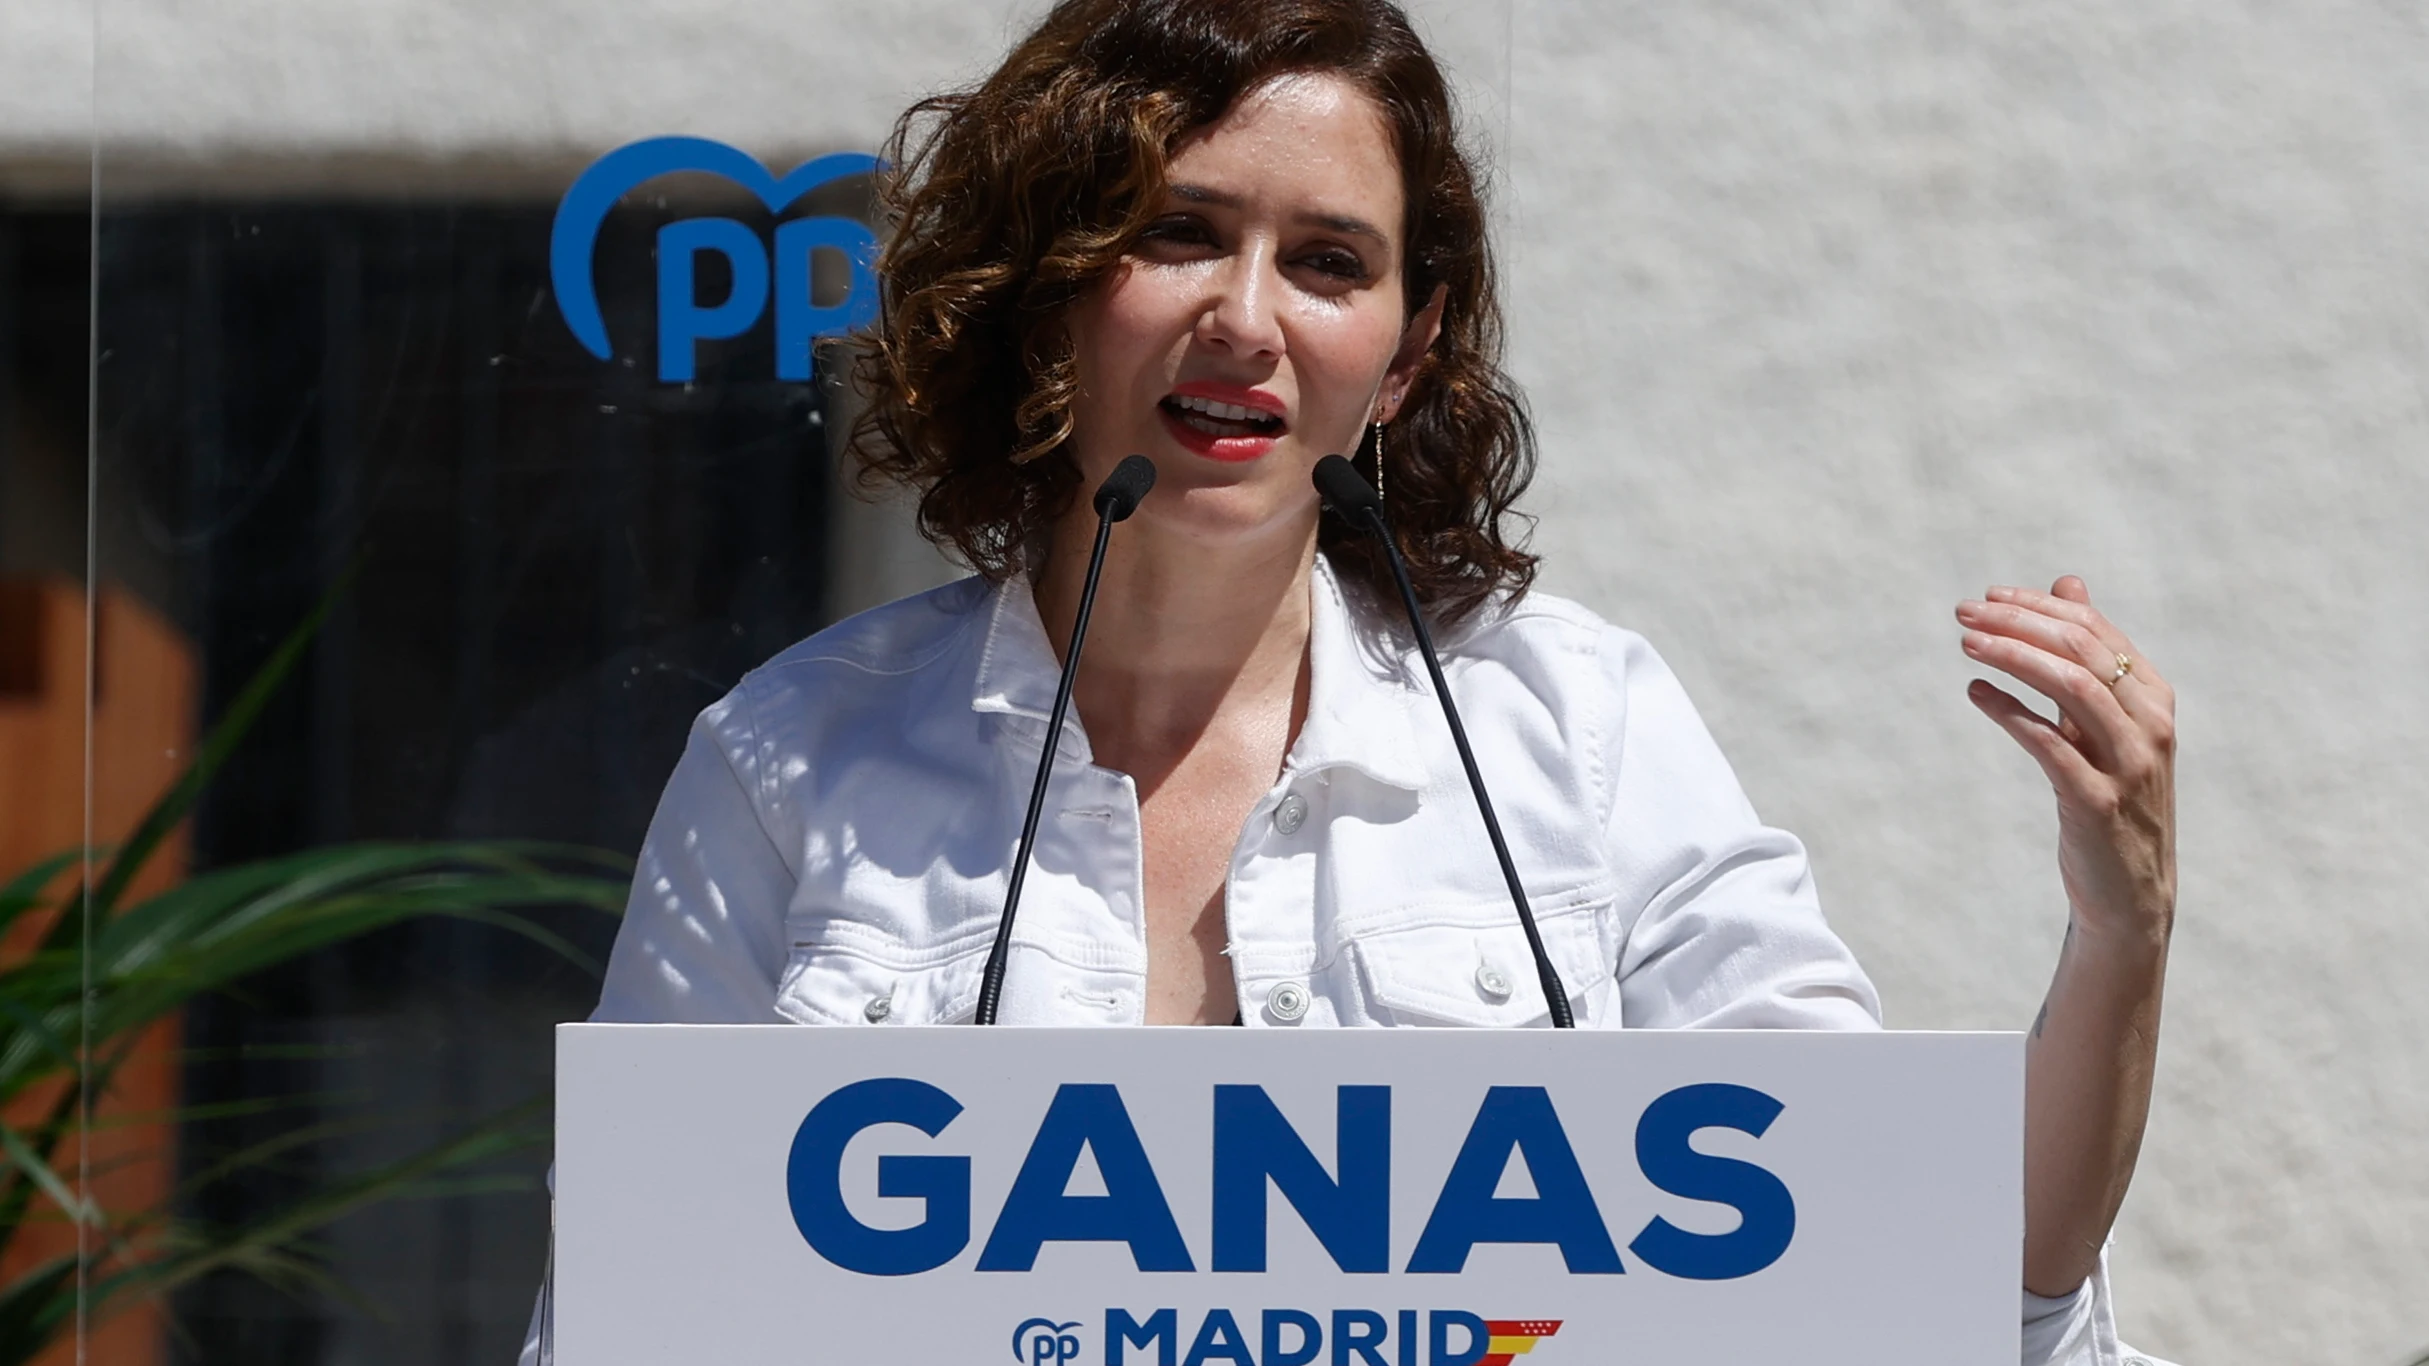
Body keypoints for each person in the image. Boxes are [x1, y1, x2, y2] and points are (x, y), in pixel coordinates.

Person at [522, 1, 2181, 1362]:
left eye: (1327, 261)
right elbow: (620, 1324)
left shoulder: (1576, 732)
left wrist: (2119, 935)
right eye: (1177, 236)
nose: (1246, 318)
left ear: (1407, 349)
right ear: (1048, 297)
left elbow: (1924, 1281)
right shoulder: (791, 761)